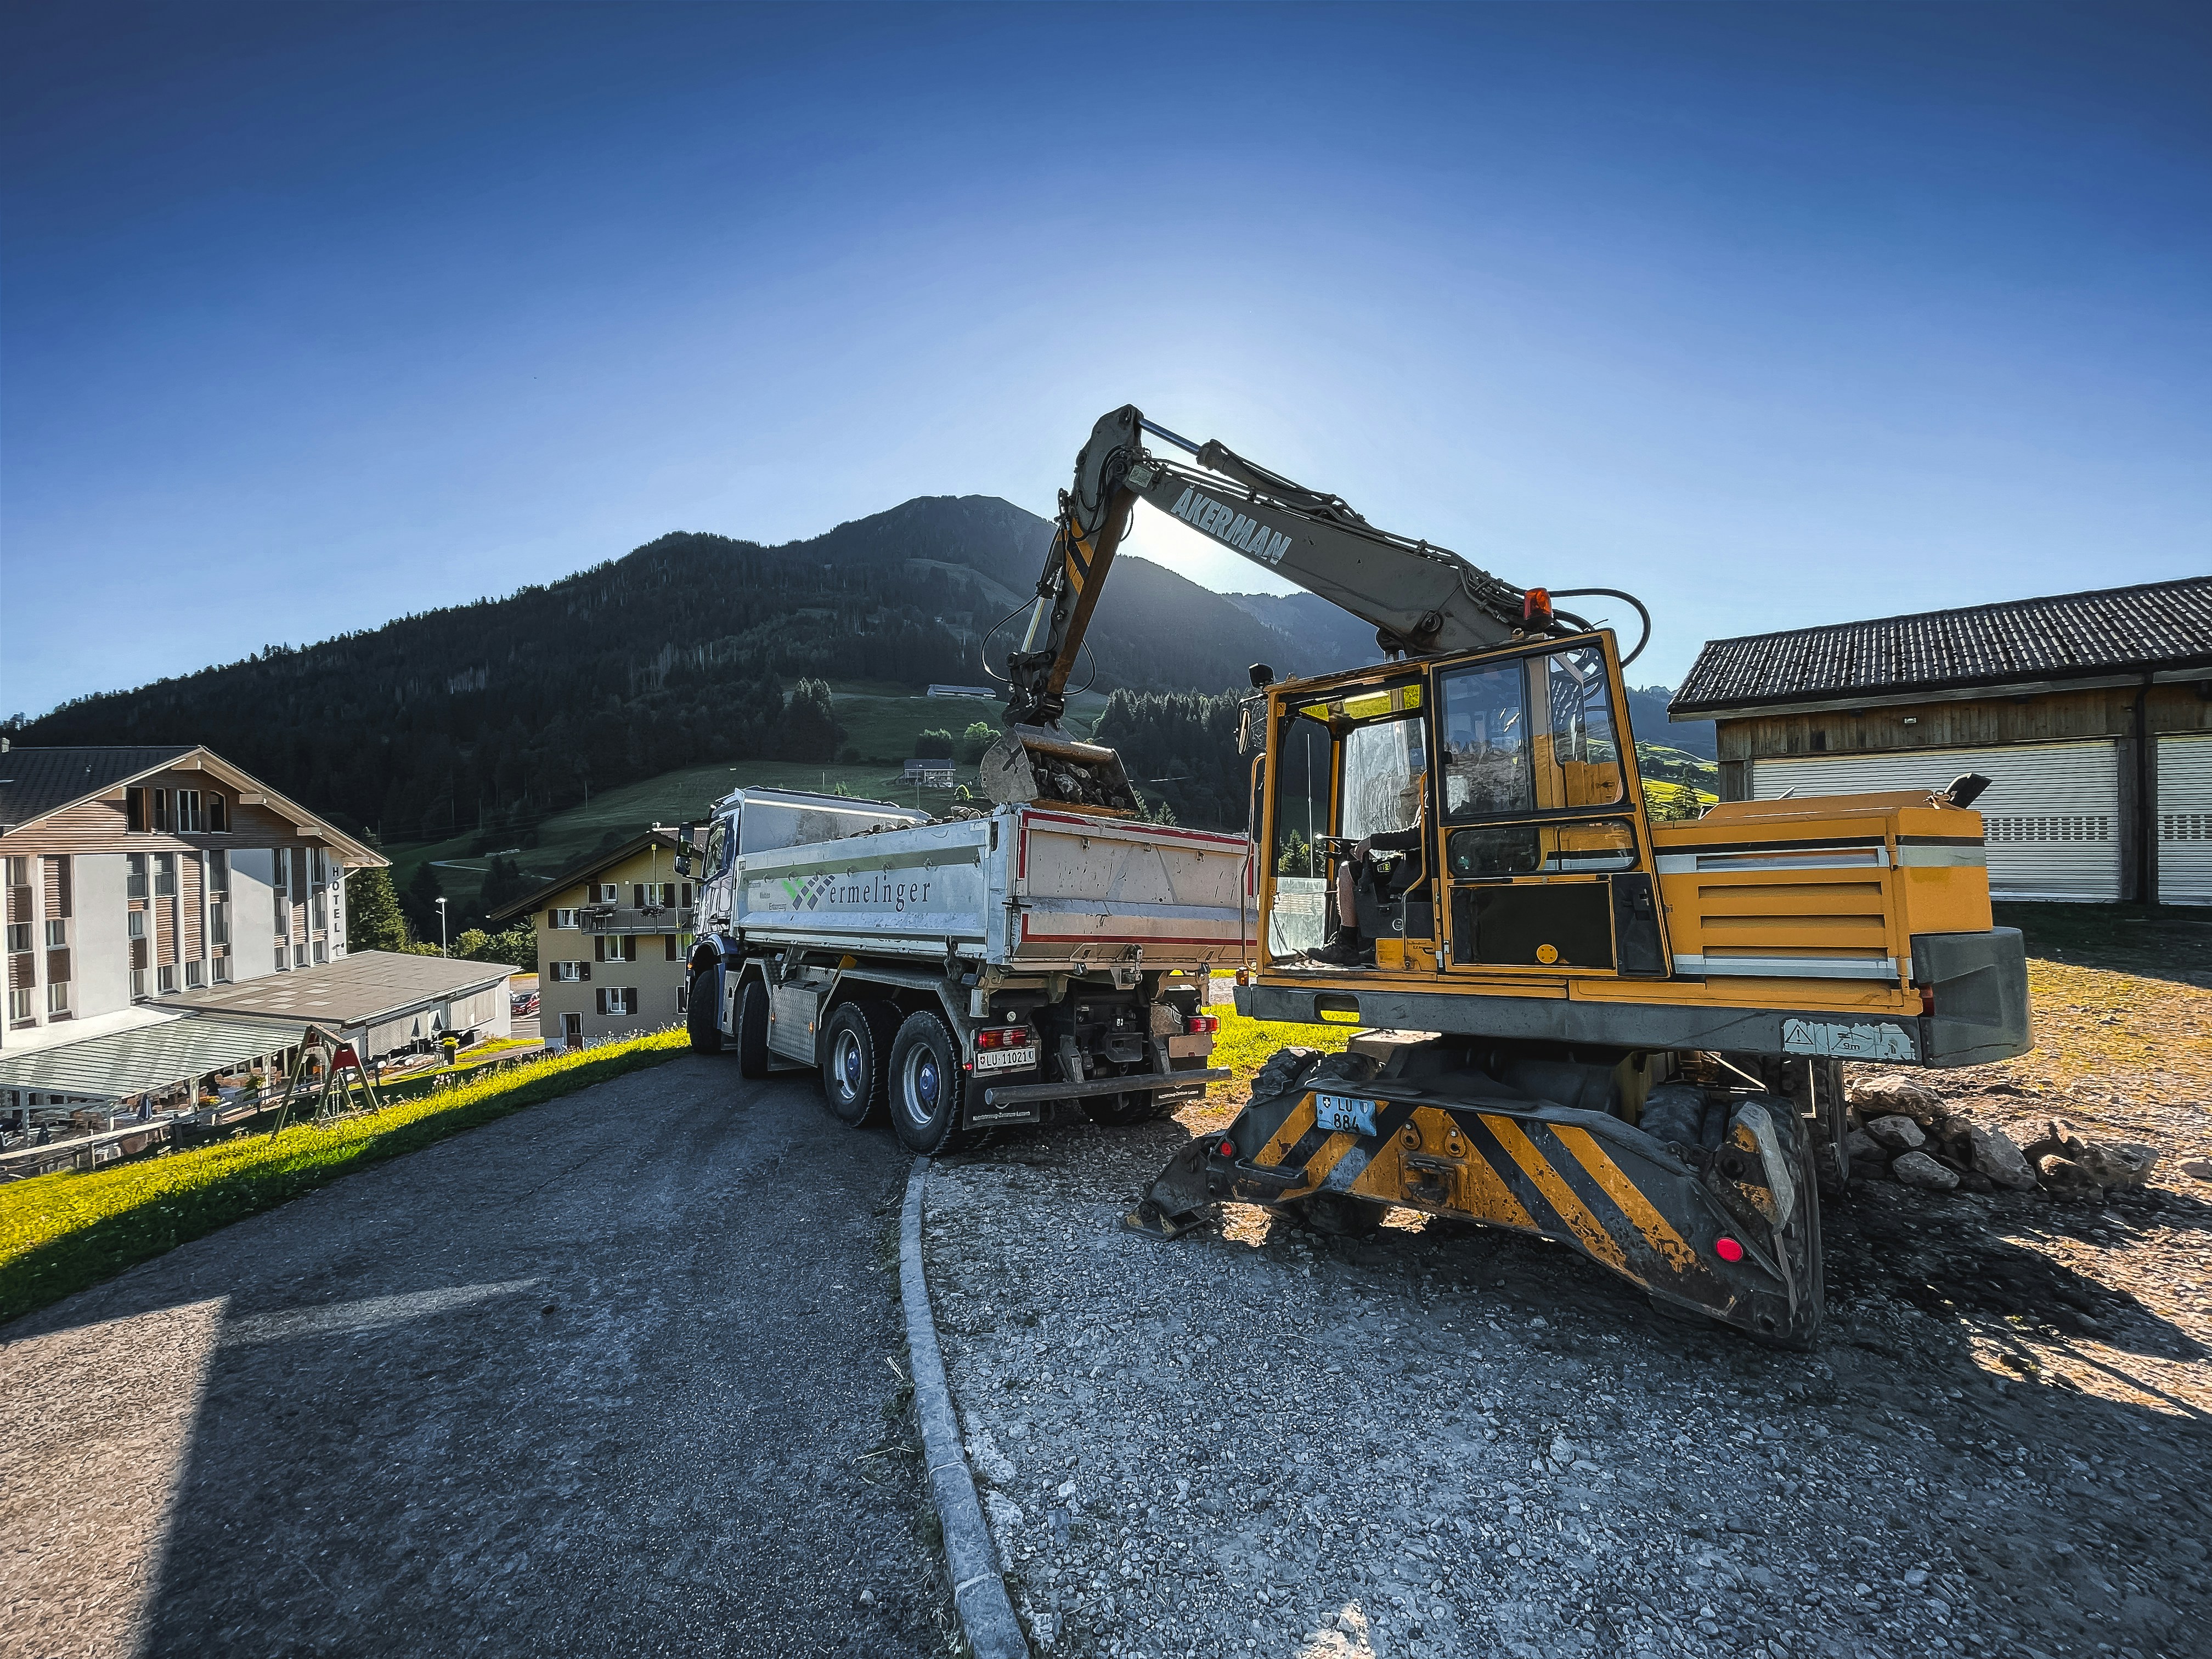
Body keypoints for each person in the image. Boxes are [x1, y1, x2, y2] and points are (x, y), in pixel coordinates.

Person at [1307, 769, 1426, 967]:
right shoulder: (1437, 785)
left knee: (1347, 872)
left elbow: (1416, 837)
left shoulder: (1434, 788)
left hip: (1413, 868)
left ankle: (1347, 944)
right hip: (1410, 864)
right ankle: (1368, 944)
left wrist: (1373, 841)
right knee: (1361, 871)